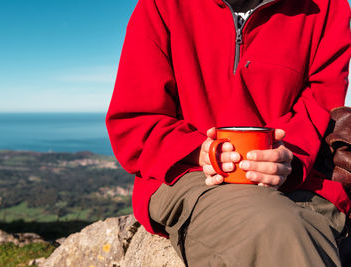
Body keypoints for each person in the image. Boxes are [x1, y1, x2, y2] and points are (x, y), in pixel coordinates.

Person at [106, 0, 351, 266]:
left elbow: (322, 103)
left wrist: (287, 156)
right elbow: (135, 121)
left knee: (305, 230)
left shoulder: (326, 7)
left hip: (299, 174)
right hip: (187, 174)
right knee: (275, 231)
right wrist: (199, 151)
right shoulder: (161, 6)